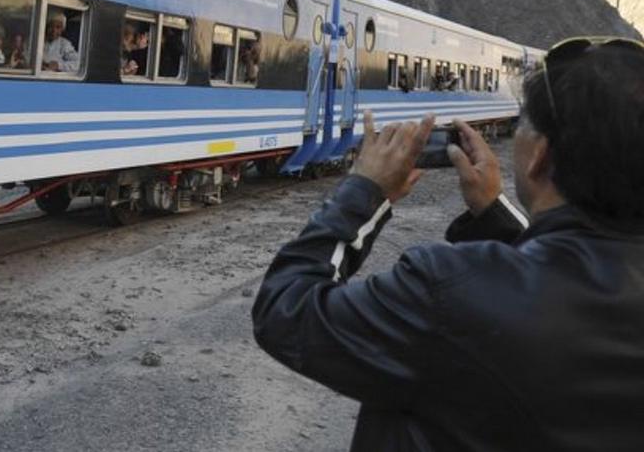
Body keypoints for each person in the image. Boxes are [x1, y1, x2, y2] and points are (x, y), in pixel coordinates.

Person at [252, 38, 644, 450]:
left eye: (524, 123)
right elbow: (559, 282)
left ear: (540, 156)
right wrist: (495, 215)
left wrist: (362, 192)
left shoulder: (446, 293)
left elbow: (287, 311)